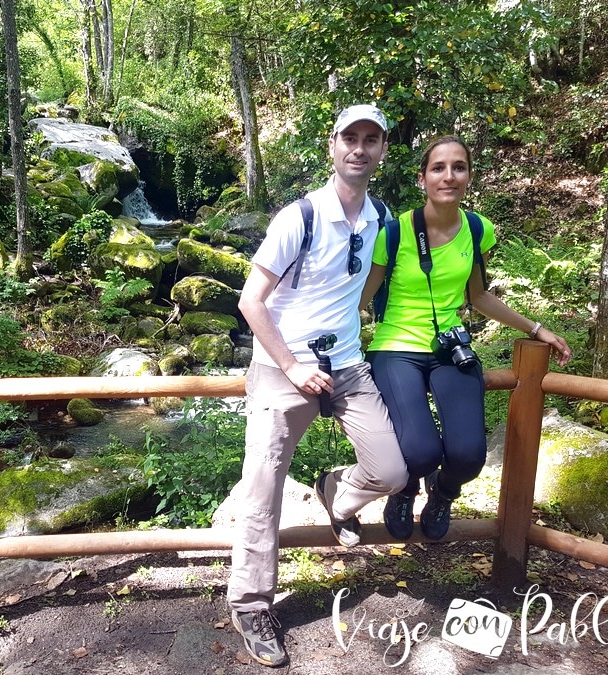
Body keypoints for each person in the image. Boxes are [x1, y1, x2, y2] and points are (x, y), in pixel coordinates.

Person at [226, 104, 409, 668]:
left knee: (392, 470)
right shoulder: (297, 217)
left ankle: (338, 493)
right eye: (349, 138)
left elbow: (371, 289)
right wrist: (290, 366)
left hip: (348, 365)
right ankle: (252, 603)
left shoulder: (380, 218)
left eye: (370, 140)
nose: (359, 148)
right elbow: (249, 301)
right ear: (332, 146)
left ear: (382, 150)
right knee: (262, 488)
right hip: (285, 370)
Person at [361, 135, 571, 542]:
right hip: (395, 347)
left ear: (469, 177)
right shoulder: (393, 232)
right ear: (422, 178)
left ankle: (442, 493)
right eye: (438, 168)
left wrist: (536, 328)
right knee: (418, 451)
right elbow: (361, 300)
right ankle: (404, 490)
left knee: (469, 455)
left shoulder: (477, 229)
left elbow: (477, 296)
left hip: (448, 348)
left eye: (459, 167)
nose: (449, 176)